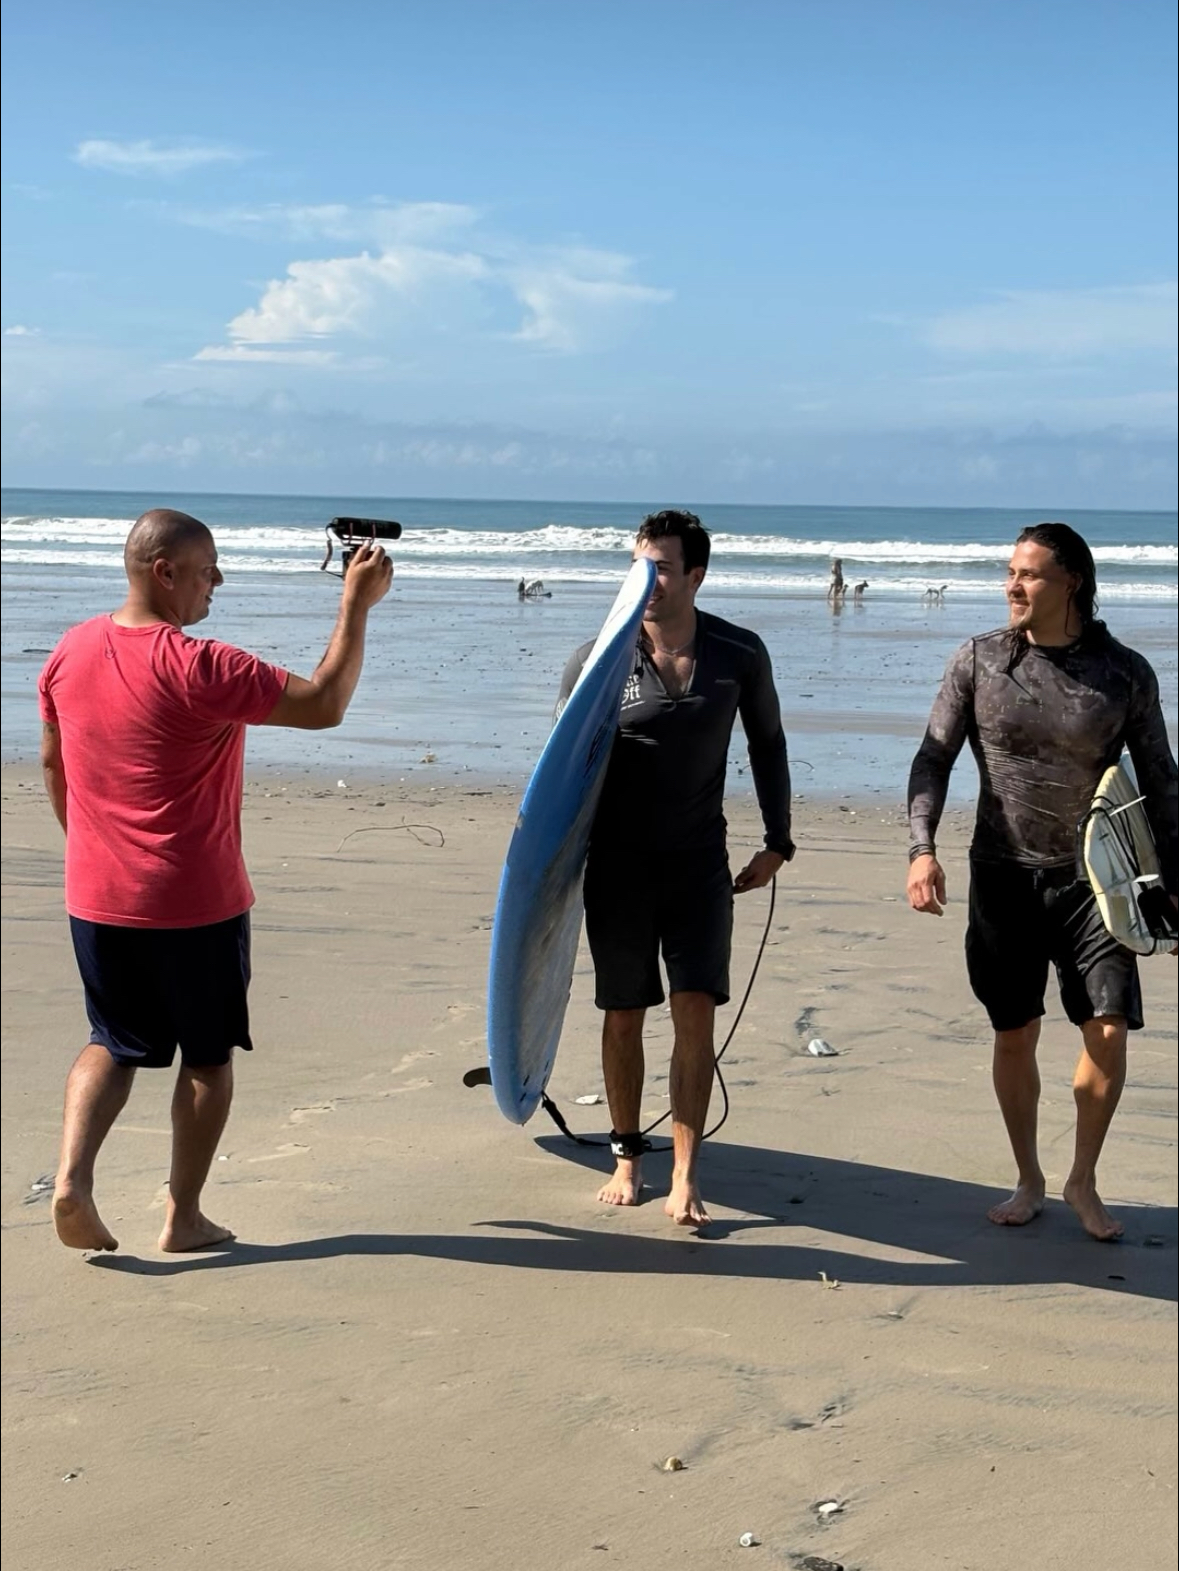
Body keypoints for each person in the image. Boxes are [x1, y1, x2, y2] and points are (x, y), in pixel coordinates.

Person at [39, 508, 393, 1254]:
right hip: (194, 900)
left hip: (98, 896)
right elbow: (325, 703)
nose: (218, 581)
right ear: (164, 572)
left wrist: (95, 850)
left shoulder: (70, 650)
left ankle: (72, 1178)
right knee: (206, 1057)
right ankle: (183, 1215)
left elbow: (54, 763)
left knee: (113, 1040)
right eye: (207, 570)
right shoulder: (201, 665)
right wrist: (355, 604)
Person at [906, 522, 1177, 1241]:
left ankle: (1081, 1176)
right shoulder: (979, 660)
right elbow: (932, 759)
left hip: (1096, 882)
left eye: (1028, 574)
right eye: (1009, 571)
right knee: (1014, 1031)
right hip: (1002, 875)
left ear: (1071, 583)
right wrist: (921, 849)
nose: (1012, 585)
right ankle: (1027, 1175)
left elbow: (1161, 779)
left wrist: (1172, 882)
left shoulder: (1123, 673)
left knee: (1108, 1030)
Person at [557, 509, 795, 1226]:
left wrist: (777, 840)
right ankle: (627, 1155)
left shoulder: (737, 652)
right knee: (623, 1013)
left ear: (696, 574)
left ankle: (686, 1172)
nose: (647, 580)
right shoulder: (599, 657)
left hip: (697, 865)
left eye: (660, 567)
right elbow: (561, 772)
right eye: (639, 565)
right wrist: (547, 876)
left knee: (695, 1013)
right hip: (617, 869)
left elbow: (768, 744)